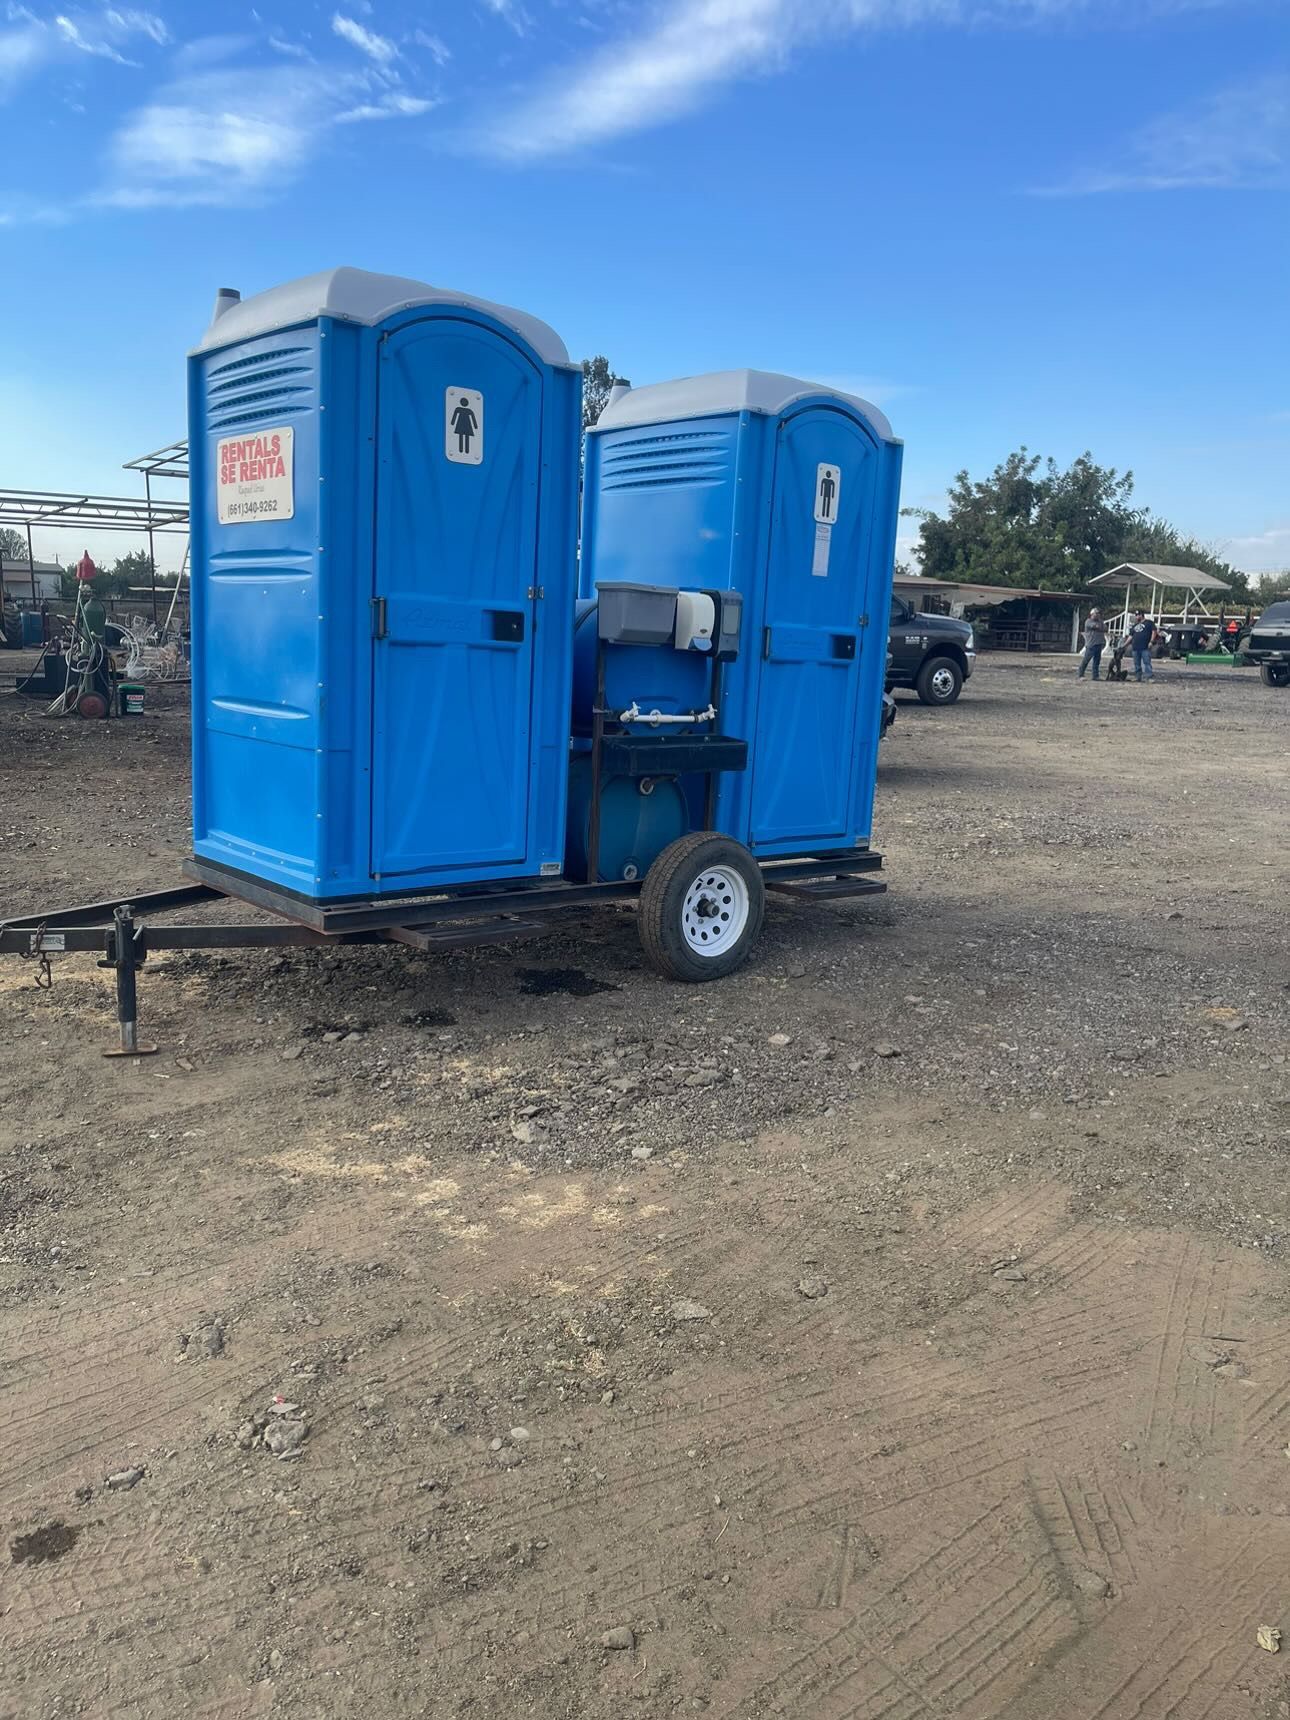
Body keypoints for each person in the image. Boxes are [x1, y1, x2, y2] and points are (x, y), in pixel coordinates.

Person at [1077, 608, 1106, 679]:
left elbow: (1105, 628)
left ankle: (1095, 676)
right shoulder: (1088, 621)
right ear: (1092, 614)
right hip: (1091, 644)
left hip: (1099, 643)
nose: (1098, 615)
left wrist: (1101, 627)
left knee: (1097, 661)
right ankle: (1081, 674)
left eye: (1098, 613)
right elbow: (1097, 626)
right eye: (1096, 613)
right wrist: (1100, 627)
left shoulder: (1100, 621)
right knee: (1086, 660)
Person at [1127, 609, 1156, 681]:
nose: (1136, 617)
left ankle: (1148, 677)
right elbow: (1130, 636)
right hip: (1135, 647)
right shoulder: (1135, 625)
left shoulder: (1149, 623)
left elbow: (1154, 632)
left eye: (1138, 615)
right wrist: (1124, 645)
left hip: (1145, 647)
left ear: (1142, 615)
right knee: (1137, 664)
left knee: (1147, 663)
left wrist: (1151, 641)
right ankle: (1138, 677)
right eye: (1136, 615)